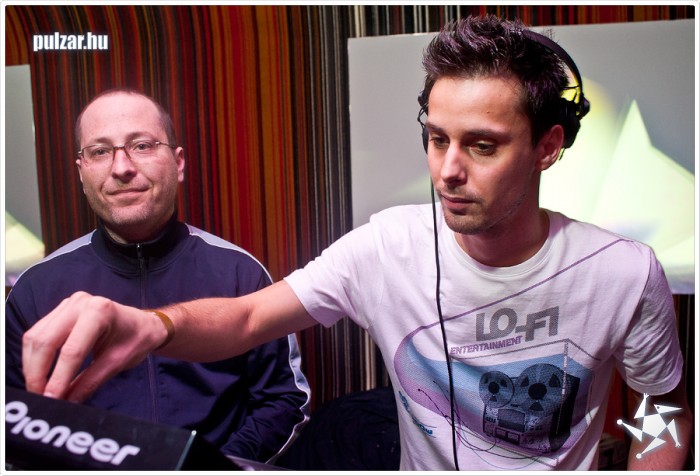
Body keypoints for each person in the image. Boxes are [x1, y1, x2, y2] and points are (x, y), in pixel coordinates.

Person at [21, 16, 692, 471]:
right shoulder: (386, 246)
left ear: (548, 147)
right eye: (436, 138)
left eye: (482, 146)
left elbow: (663, 404)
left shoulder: (623, 273)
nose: (447, 170)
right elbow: (249, 319)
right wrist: (154, 326)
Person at [6, 88, 311, 464]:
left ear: (178, 163)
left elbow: (284, 401)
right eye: (100, 151)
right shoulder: (35, 288)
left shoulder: (240, 272)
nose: (121, 168)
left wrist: (214, 468)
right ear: (82, 172)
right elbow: (14, 419)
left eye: (142, 145)